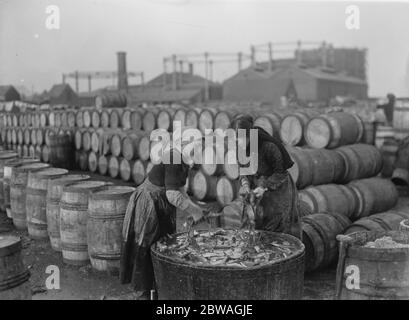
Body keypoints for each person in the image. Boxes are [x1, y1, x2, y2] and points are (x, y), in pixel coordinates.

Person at [119, 138, 206, 300]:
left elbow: (180, 189)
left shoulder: (184, 161)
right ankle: (143, 293)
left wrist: (193, 209)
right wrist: (195, 211)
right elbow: (172, 195)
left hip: (161, 202)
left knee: (164, 244)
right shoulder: (173, 158)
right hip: (149, 201)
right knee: (145, 246)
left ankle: (158, 287)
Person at [222, 114, 302, 239]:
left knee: (276, 226)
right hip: (255, 185)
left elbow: (281, 172)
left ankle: (280, 254)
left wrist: (264, 187)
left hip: (277, 188)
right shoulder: (240, 148)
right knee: (251, 220)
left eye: (242, 139)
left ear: (250, 136)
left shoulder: (269, 146)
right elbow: (243, 170)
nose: (239, 142)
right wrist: (245, 184)